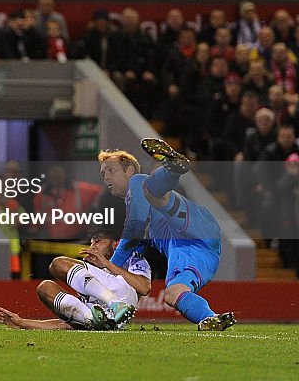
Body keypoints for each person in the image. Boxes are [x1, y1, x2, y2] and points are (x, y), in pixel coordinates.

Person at [98, 139, 235, 331]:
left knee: (149, 190)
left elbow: (133, 232)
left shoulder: (137, 183)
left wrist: (104, 271)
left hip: (192, 225)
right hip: (194, 250)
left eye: (111, 170)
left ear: (129, 171)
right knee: (173, 293)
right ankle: (211, 319)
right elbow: (132, 246)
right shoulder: (136, 211)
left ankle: (172, 168)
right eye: (103, 173)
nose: (106, 177)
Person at [0, 225, 151, 330]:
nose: (92, 247)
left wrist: (107, 265)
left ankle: (115, 303)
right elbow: (67, 324)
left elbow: (144, 287)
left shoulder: (131, 258)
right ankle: (92, 319)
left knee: (58, 264)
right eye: (91, 242)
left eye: (98, 241)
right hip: (112, 319)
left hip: (122, 298)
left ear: (116, 244)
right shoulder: (90, 278)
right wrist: (22, 323)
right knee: (44, 288)